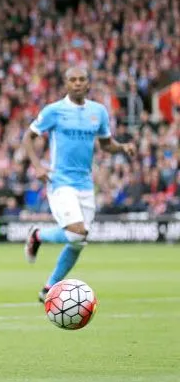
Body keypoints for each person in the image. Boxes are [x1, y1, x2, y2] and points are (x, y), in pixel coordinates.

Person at [22, 67, 136, 302]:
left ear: (88, 83)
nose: (77, 83)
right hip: (60, 181)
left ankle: (48, 288)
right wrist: (38, 166)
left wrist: (122, 147)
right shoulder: (54, 111)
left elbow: (105, 144)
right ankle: (38, 235)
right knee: (76, 232)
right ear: (66, 84)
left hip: (85, 184)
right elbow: (28, 136)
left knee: (78, 242)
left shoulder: (98, 112)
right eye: (72, 79)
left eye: (81, 79)